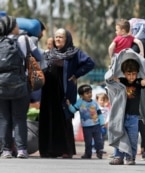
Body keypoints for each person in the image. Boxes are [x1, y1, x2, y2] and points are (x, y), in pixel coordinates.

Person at [38, 28, 95, 158]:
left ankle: (65, 150)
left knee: (64, 118)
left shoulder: (74, 53)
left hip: (63, 91)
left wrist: (76, 74)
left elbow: (90, 63)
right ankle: (48, 150)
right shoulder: (49, 53)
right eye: (56, 36)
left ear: (67, 39)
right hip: (48, 91)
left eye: (61, 37)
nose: (58, 39)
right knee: (49, 117)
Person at [0, 15, 41, 159]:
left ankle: (6, 150)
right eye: (16, 25)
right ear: (12, 27)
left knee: (4, 118)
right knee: (19, 118)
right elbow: (39, 57)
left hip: (1, 86)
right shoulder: (24, 39)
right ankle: (22, 150)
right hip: (20, 85)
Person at [108, 59, 145, 165]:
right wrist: (111, 69)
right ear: (124, 73)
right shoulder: (121, 81)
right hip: (120, 116)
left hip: (133, 117)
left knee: (133, 138)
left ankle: (130, 157)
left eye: (134, 74)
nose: (131, 77)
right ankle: (118, 157)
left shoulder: (138, 82)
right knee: (119, 135)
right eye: (129, 74)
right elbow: (110, 78)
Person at [129, 18, 145, 161]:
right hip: (144, 82)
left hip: (135, 83)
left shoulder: (137, 43)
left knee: (134, 114)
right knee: (140, 115)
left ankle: (142, 149)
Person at [66, 84, 104, 159]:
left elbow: (99, 113)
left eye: (90, 92)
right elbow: (73, 110)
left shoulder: (94, 103)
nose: (89, 94)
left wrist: (102, 122)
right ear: (81, 96)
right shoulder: (80, 102)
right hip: (86, 127)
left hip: (96, 125)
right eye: (87, 93)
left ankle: (99, 151)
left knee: (98, 140)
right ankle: (88, 153)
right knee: (88, 142)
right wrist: (69, 105)